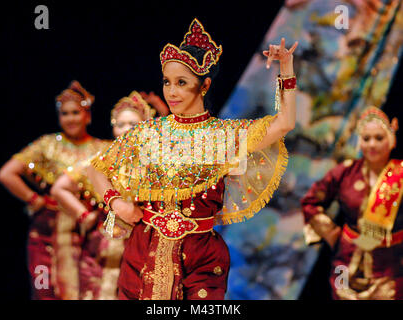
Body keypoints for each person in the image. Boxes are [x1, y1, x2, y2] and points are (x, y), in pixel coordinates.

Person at [87, 18, 297, 300]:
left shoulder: (225, 136)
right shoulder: (150, 132)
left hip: (200, 258)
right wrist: (117, 203)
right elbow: (97, 169)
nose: (171, 92)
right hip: (143, 250)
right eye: (167, 82)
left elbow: (284, 123)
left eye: (181, 83)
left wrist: (286, 68)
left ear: (204, 85)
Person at [51, 91, 168, 299]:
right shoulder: (103, 160)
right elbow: (60, 187)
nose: (125, 130)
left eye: (132, 124)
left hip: (143, 245)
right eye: (120, 124)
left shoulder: (155, 163)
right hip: (104, 247)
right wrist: (84, 215)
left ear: (146, 127)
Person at [0, 80, 105, 299]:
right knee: (47, 289)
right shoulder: (47, 145)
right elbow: (6, 174)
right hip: (50, 231)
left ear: (88, 115)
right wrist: (33, 198)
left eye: (76, 112)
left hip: (91, 232)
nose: (70, 118)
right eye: (65, 113)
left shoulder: (102, 148)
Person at [301, 106, 403, 300]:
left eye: (379, 138)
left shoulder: (400, 175)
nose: (372, 144)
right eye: (366, 139)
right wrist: (331, 233)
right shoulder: (345, 172)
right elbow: (311, 201)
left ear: (390, 140)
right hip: (345, 263)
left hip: (389, 269)